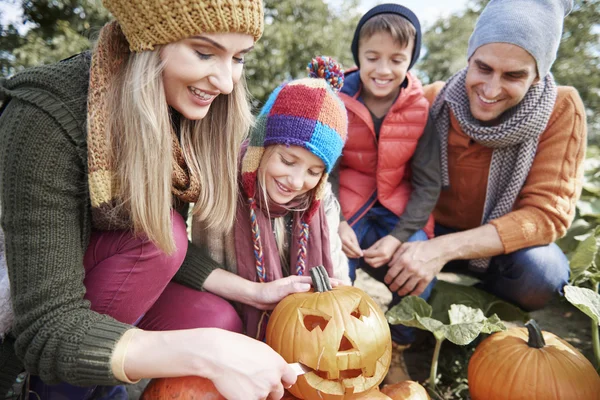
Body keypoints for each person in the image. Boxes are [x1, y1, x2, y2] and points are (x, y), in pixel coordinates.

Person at [0, 1, 308, 399]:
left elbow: (156, 235)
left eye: (238, 58)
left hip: (98, 285)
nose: (227, 82)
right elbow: (46, 324)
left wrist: (253, 292)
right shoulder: (47, 117)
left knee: (215, 316)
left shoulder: (175, 105)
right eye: (204, 52)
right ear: (149, 40)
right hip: (29, 324)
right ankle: (51, 392)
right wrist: (206, 354)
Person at [386, 0, 586, 323]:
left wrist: (444, 250)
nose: (491, 89)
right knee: (376, 233)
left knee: (542, 274)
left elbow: (547, 215)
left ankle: (483, 317)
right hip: (428, 231)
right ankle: (415, 315)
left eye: (513, 75)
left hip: (497, 250)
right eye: (483, 68)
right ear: (470, 58)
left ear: (537, 76)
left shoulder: (561, 109)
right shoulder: (433, 100)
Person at [193, 56, 350, 341]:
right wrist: (256, 295)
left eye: (314, 171)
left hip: (298, 331)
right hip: (231, 306)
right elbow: (201, 267)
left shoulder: (319, 200)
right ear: (261, 148)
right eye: (288, 161)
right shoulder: (226, 184)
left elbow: (338, 269)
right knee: (218, 318)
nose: (297, 181)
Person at [329, 3, 441, 382]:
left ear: (411, 59)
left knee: (418, 272)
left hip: (398, 209)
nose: (383, 69)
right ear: (357, 55)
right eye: (372, 57)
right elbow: (325, 168)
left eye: (397, 59)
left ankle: (398, 344)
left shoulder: (420, 109)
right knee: (331, 264)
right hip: (349, 204)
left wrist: (398, 238)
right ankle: (338, 344)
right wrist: (337, 220)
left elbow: (427, 184)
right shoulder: (336, 99)